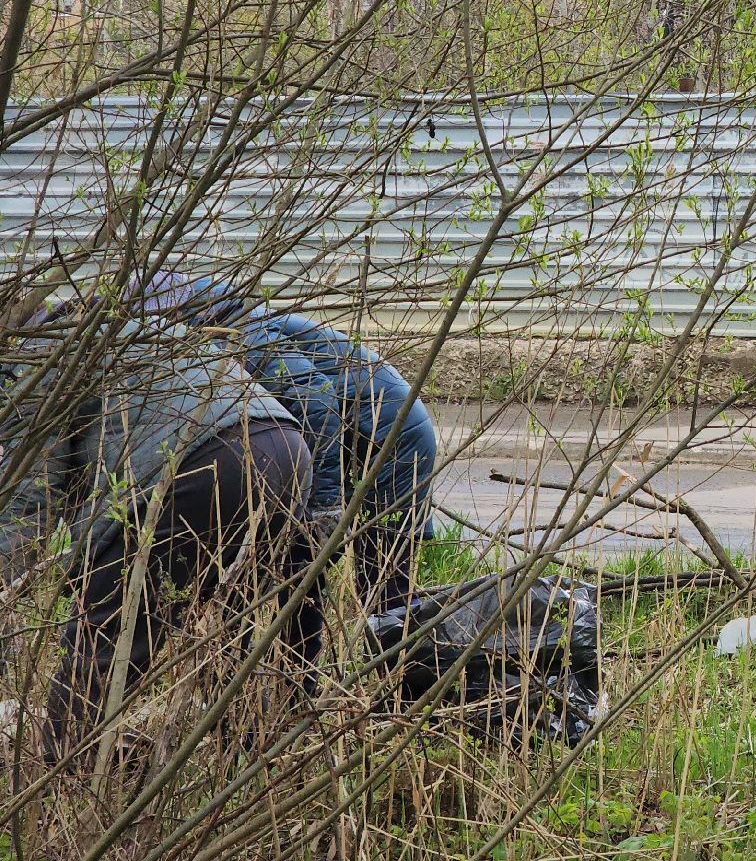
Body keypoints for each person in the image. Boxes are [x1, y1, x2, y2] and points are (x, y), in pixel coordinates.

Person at [0, 302, 319, 756]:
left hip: (201, 464)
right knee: (221, 632)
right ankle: (253, 761)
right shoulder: (126, 326)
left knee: (104, 638)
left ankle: (65, 774)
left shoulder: (42, 362)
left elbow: (29, 503)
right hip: (285, 449)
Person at [142, 275, 438, 612]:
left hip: (391, 436)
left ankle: (398, 641)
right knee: (301, 558)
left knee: (380, 577)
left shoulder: (241, 336)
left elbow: (317, 402)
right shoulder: (231, 325)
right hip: (359, 431)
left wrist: (325, 504)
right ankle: (304, 644)